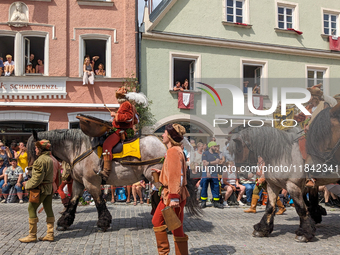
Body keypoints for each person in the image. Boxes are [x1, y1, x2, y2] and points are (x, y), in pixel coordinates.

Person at [151, 123, 189, 255]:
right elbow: (174, 172)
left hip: (172, 196)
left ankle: (164, 253)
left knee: (163, 223)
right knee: (174, 226)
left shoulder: (173, 151)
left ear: (170, 136)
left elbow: (176, 176)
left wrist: (174, 197)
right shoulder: (176, 150)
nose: (162, 135)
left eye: (165, 133)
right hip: (173, 194)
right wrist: (162, 172)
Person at [98, 86, 137, 181]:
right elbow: (135, 120)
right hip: (121, 129)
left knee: (107, 145)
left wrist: (115, 115)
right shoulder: (127, 104)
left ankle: (106, 171)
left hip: (120, 131)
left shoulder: (125, 104)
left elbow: (129, 117)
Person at [19, 140, 54, 243]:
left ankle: (32, 235)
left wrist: (27, 185)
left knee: (31, 208)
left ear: (40, 149)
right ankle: (50, 234)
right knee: (48, 209)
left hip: (40, 189)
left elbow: (37, 179)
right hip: (48, 188)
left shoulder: (40, 161)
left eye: (36, 148)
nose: (35, 150)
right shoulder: (50, 159)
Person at [200, 141, 224, 209]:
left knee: (215, 186)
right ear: (211, 146)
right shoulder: (205, 153)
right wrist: (208, 172)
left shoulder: (216, 154)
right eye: (214, 146)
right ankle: (203, 202)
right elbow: (204, 163)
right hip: (206, 171)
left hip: (214, 172)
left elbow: (217, 161)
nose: (216, 147)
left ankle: (216, 202)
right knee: (204, 185)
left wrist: (209, 162)